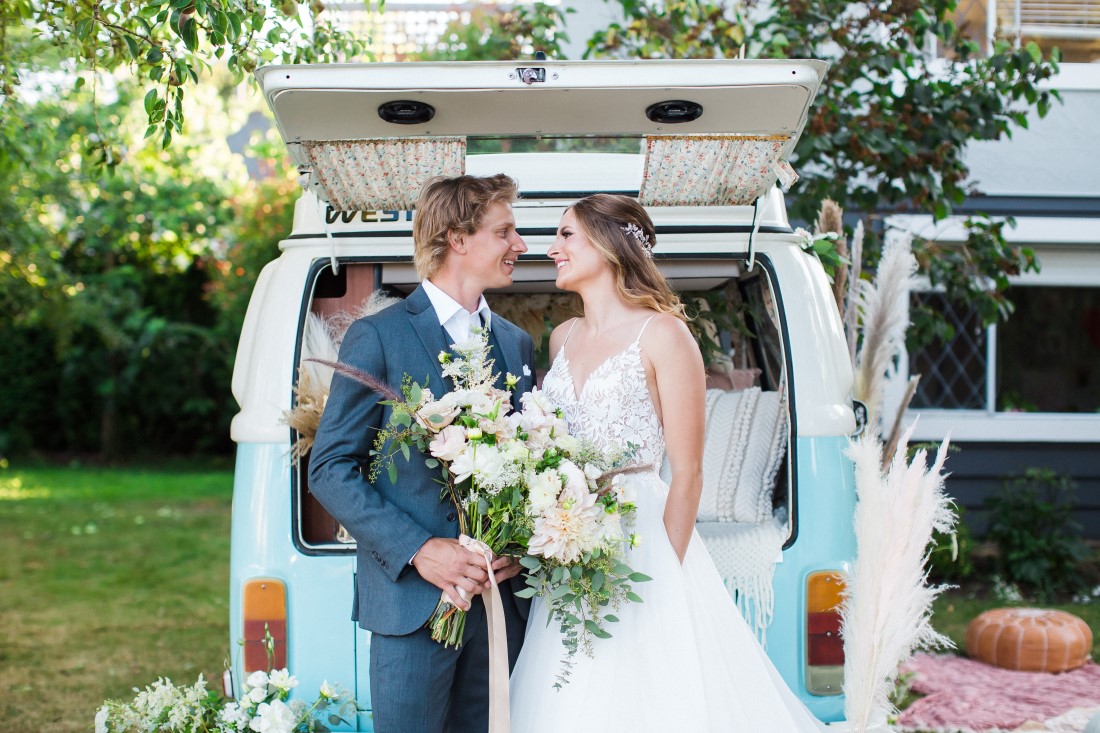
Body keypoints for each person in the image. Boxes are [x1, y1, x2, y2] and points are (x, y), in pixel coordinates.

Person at [509, 194, 827, 732]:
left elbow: (689, 472)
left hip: (641, 535)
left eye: (565, 235)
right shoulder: (562, 338)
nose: (551, 249)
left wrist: (664, 571)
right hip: (570, 537)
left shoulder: (664, 335)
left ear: (607, 245)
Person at [309, 174, 536, 733]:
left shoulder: (515, 343)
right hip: (411, 607)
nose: (520, 244)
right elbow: (330, 468)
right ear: (457, 238)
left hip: (500, 605)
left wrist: (517, 547)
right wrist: (419, 550)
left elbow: (530, 463)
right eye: (504, 231)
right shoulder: (379, 337)